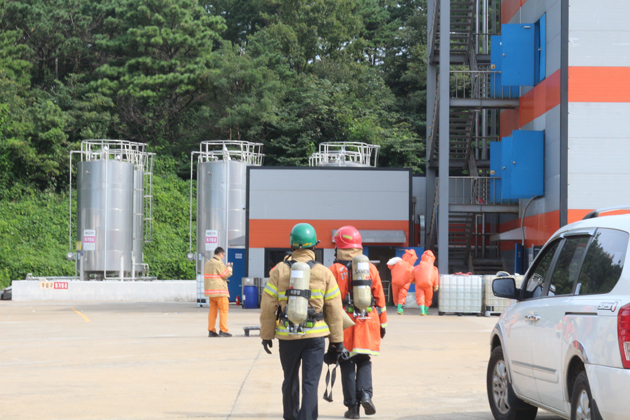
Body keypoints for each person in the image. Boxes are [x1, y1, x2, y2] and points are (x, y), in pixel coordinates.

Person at [259, 223, 344, 420]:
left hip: (287, 336)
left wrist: (266, 335)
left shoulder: (278, 271)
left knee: (289, 379)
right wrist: (336, 340)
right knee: (310, 383)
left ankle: (291, 416)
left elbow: (268, 306)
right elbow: (334, 309)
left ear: (292, 245)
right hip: (314, 337)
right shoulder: (324, 272)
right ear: (314, 245)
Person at [329, 226, 387, 419]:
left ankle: (352, 408)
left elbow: (329, 300)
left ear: (338, 246)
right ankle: (366, 395)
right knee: (364, 360)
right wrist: (383, 324)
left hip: (344, 323)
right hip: (368, 321)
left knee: (346, 362)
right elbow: (380, 298)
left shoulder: (334, 270)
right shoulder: (370, 268)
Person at [204, 247, 233, 337]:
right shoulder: (218, 263)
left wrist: (224, 267)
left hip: (211, 292)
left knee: (212, 312)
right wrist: (229, 268)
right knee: (224, 311)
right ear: (220, 254)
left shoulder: (208, 263)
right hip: (220, 292)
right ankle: (223, 330)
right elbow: (226, 274)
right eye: (223, 255)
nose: (223, 257)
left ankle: (211, 330)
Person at [387, 249, 418, 315]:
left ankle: (396, 305)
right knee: (402, 295)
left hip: (395, 283)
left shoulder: (398, 263)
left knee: (395, 295)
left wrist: (390, 261)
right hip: (405, 284)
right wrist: (414, 281)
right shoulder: (411, 267)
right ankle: (399, 307)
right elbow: (414, 276)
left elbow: (389, 266)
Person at [411, 250, 439, 316]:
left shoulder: (417, 267)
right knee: (428, 298)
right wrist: (436, 285)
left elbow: (413, 272)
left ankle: (422, 310)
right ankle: (426, 311)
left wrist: (413, 280)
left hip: (419, 284)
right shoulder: (434, 268)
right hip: (429, 285)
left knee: (420, 297)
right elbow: (436, 277)